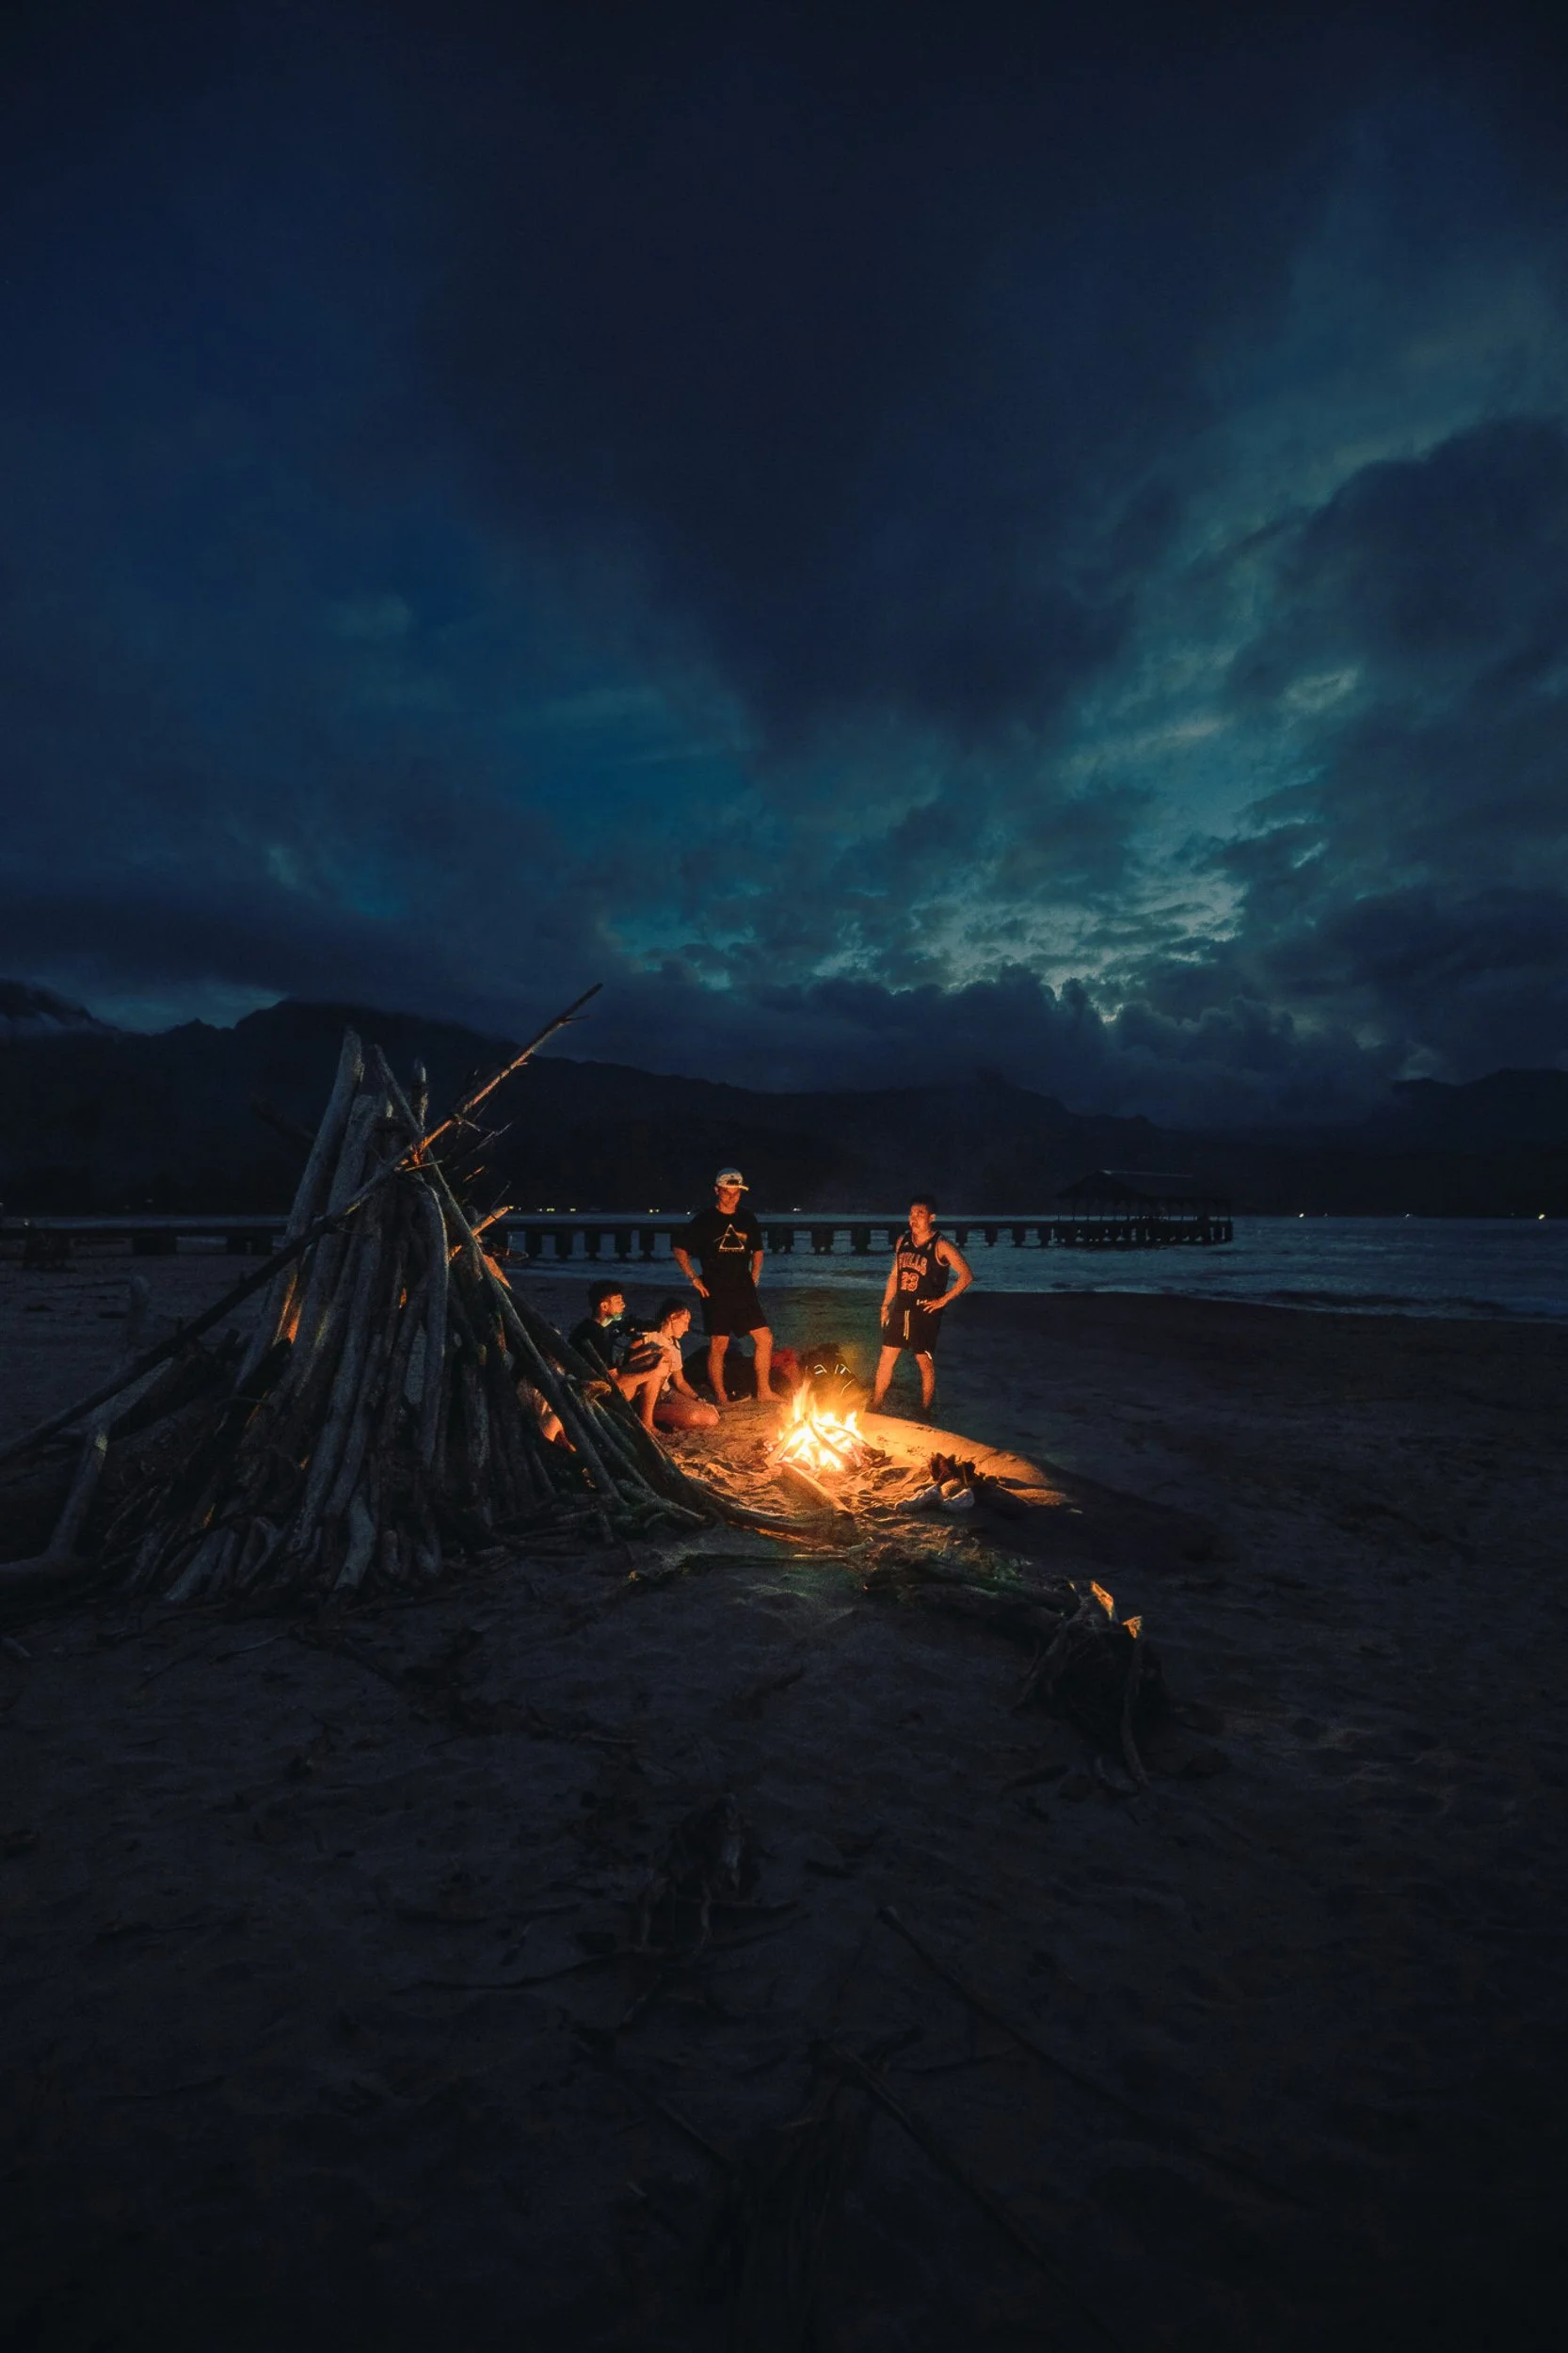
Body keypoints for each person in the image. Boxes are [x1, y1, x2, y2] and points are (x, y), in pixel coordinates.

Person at [673, 1167, 774, 1410]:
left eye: (736, 1193)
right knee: (719, 1344)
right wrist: (694, 1279)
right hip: (715, 1290)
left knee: (765, 1339)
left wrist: (755, 1275)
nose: (732, 1197)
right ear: (717, 1190)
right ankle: (721, 1396)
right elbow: (680, 1248)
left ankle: (764, 1390)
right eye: (727, 1193)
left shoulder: (747, 1218)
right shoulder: (705, 1219)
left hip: (743, 1289)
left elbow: (758, 1251)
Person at [871, 1195, 973, 1415]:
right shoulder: (903, 1241)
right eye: (911, 1214)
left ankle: (925, 1409)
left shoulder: (941, 1245)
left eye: (920, 1214)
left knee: (923, 1361)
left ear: (931, 1217)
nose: (913, 1218)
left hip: (925, 1310)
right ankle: (876, 1403)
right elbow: (895, 1275)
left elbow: (966, 1275)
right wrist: (885, 1305)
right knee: (886, 1356)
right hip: (901, 1306)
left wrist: (943, 1300)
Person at [616, 1297, 720, 1432]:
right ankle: (647, 1417)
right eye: (685, 1322)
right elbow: (625, 1362)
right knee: (661, 1360)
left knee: (710, 1417)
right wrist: (653, 1352)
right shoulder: (650, 1335)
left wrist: (698, 1399)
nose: (687, 1328)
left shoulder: (675, 1345)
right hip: (643, 1393)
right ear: (672, 1317)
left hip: (665, 1392)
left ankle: (660, 1417)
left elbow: (680, 1382)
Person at [568, 1281, 627, 1378]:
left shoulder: (590, 1327)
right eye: (618, 1302)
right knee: (654, 1370)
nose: (623, 1305)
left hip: (596, 1379)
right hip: (594, 1384)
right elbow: (609, 1373)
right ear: (604, 1306)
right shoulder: (594, 1334)